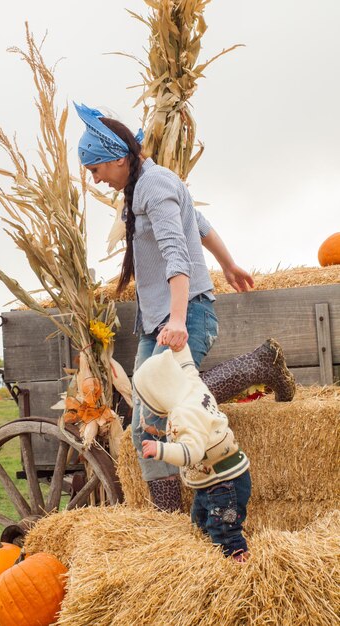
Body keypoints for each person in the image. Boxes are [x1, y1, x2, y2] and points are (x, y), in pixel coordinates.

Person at [74, 103, 293, 512]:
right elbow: (201, 225)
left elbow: (177, 254)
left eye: (96, 169)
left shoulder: (154, 186)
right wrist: (228, 264)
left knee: (158, 413)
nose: (96, 179)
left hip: (183, 312)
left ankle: (260, 366)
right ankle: (169, 520)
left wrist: (177, 320)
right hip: (158, 319)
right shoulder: (142, 186)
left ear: (118, 158)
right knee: (146, 422)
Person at [133, 345, 251, 561]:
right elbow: (188, 367)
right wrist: (180, 346)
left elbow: (192, 452)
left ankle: (237, 561)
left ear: (158, 393)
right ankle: (212, 555)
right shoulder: (193, 388)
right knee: (200, 522)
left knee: (224, 529)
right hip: (212, 482)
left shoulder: (183, 413)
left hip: (225, 484)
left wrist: (160, 449)